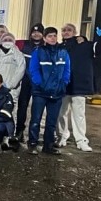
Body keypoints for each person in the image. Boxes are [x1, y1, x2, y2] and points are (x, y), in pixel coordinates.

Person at [57, 23, 101, 152]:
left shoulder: (85, 45)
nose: (66, 32)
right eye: (64, 30)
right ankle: (62, 136)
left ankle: (81, 140)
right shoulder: (59, 48)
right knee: (61, 113)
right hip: (63, 86)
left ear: (75, 32)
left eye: (69, 30)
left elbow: (99, 49)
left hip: (79, 84)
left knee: (79, 114)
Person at [28, 26, 71, 155]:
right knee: (36, 119)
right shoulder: (38, 52)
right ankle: (33, 144)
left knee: (52, 121)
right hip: (40, 92)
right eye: (50, 36)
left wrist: (64, 83)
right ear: (45, 38)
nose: (53, 38)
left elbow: (67, 70)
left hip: (57, 92)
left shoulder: (63, 52)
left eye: (54, 35)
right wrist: (39, 83)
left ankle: (48, 145)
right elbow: (33, 70)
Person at [0, 32, 26, 120]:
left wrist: (10, 85)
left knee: (9, 113)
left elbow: (20, 71)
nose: (7, 41)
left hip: (11, 90)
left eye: (10, 40)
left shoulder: (18, 55)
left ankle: (9, 132)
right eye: (5, 40)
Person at [16, 23, 44, 141]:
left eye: (39, 32)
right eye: (34, 32)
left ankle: (34, 135)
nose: (36, 34)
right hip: (26, 80)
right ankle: (19, 131)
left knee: (36, 108)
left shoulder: (46, 47)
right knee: (22, 106)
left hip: (39, 82)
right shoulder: (24, 45)